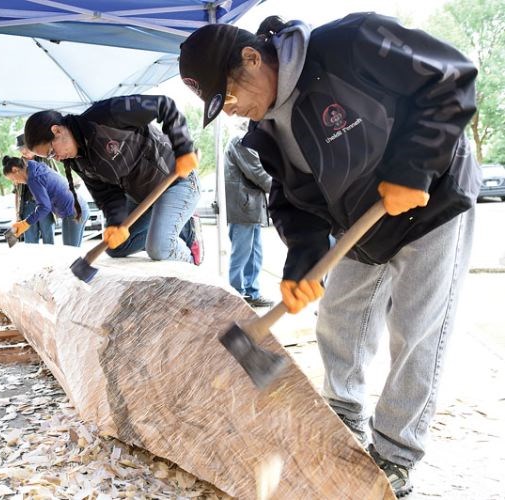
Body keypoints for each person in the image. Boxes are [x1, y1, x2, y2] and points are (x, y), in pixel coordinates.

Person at [179, 13, 481, 497]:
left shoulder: (350, 44)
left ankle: (396, 452)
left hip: (432, 199)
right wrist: (303, 256)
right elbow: (292, 198)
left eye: (230, 97)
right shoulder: (266, 130)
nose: (233, 112)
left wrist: (414, 167)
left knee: (416, 330)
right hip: (360, 221)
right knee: (339, 318)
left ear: (253, 59)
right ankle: (343, 416)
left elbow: (451, 76)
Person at [23, 95, 203, 265]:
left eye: (52, 152)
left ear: (57, 130)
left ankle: (190, 251)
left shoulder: (107, 114)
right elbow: (107, 195)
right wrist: (116, 223)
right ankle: (171, 229)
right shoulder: (79, 162)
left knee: (158, 248)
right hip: (144, 199)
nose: (57, 158)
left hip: (178, 180)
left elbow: (164, 105)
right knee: (116, 247)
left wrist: (183, 147)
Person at [224, 126, 273, 308]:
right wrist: (284, 189)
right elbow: (258, 173)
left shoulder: (246, 139)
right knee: (242, 254)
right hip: (244, 207)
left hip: (250, 207)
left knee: (254, 253)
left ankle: (251, 293)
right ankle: (236, 296)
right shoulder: (241, 140)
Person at [3, 156, 90, 247]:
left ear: (15, 169)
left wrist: (26, 223)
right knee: (74, 252)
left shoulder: (34, 179)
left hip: (72, 213)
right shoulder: (37, 168)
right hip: (80, 207)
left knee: (69, 252)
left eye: (13, 179)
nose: (16, 183)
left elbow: (44, 207)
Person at [13, 134, 57, 245]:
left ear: (32, 146)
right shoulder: (17, 165)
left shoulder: (47, 160)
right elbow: (16, 193)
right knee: (30, 241)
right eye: (20, 149)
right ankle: (33, 262)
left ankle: (50, 262)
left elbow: (58, 182)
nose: (23, 151)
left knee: (48, 239)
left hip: (46, 206)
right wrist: (17, 214)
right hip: (27, 207)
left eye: (25, 147)